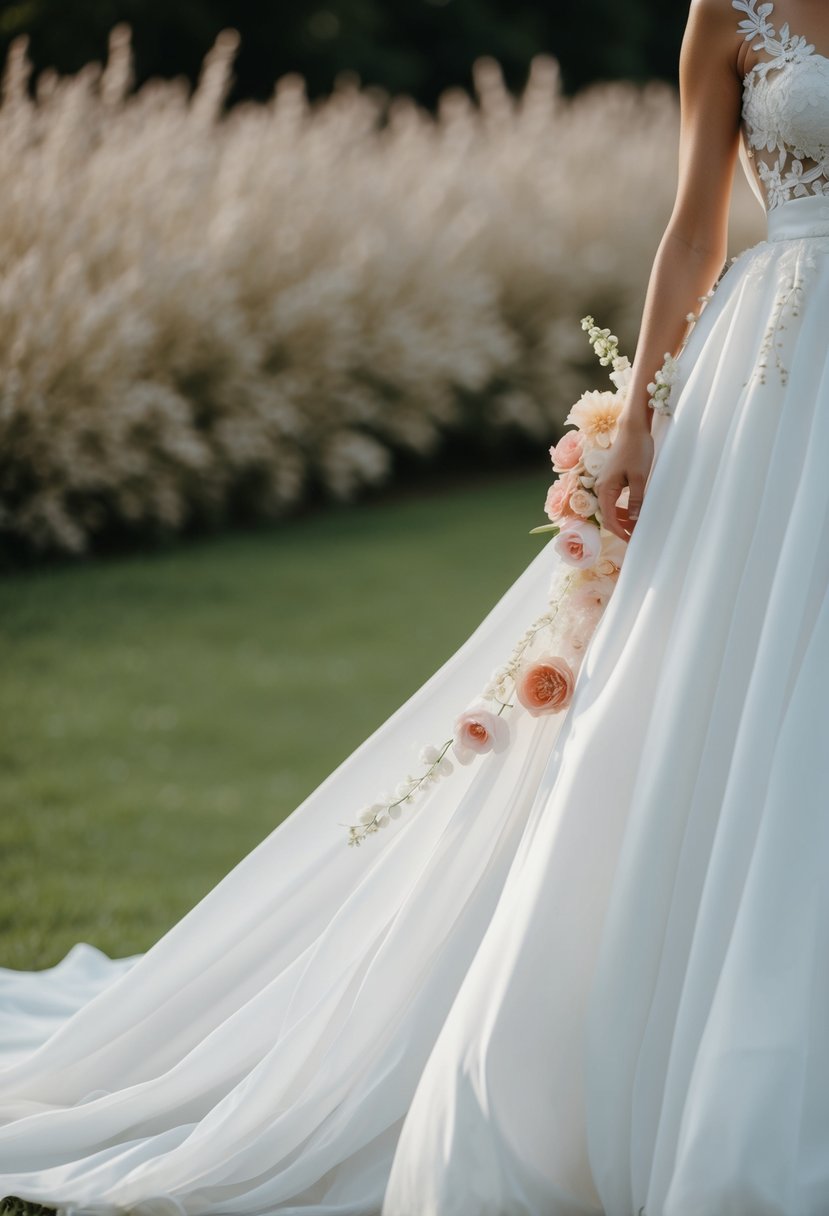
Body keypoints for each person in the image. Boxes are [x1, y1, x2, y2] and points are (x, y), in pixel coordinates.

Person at [2, 0, 829, 1211]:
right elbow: (692, 231)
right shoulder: (734, 12)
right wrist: (642, 414)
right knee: (726, 689)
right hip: (775, 374)